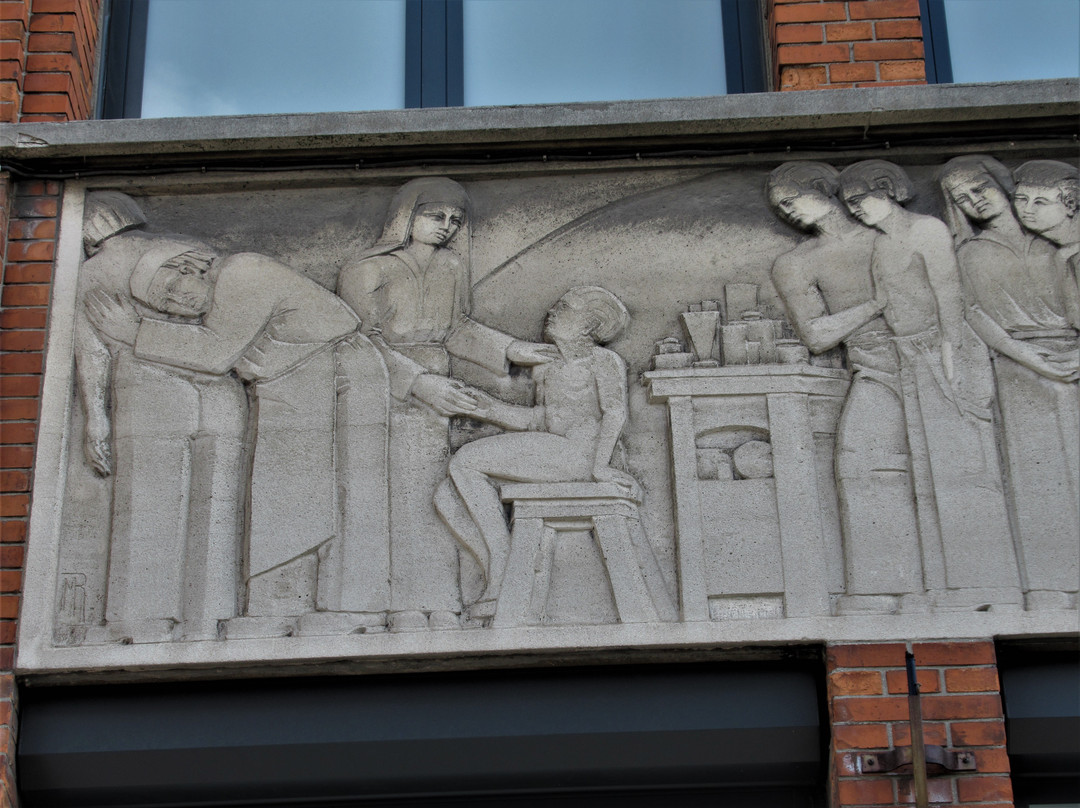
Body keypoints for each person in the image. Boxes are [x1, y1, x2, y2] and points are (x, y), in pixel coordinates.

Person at [86, 241, 391, 630]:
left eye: (169, 295)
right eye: (163, 308)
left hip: (339, 374)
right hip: (295, 381)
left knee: (343, 493)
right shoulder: (221, 297)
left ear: (186, 268)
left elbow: (215, 354)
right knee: (285, 493)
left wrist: (134, 332)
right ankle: (284, 607)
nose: (175, 309)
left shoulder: (241, 271)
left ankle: (348, 608)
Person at [338, 177, 555, 631]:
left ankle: (435, 600)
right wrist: (417, 383)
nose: (446, 227)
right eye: (435, 217)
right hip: (380, 387)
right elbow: (356, 341)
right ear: (406, 217)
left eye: (455, 220)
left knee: (427, 496)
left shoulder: (449, 267)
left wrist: (513, 349)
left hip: (436, 388)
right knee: (380, 497)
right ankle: (379, 607)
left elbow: (456, 329)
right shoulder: (367, 270)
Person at [838, 160, 1020, 611]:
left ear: (889, 190)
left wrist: (951, 359)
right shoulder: (882, 246)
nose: (857, 210)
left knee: (962, 468)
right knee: (926, 473)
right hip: (908, 356)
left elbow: (949, 296)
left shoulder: (928, 230)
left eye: (862, 199)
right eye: (850, 205)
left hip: (943, 352)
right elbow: (887, 303)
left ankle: (985, 586)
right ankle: (941, 586)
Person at [766, 162, 921, 613]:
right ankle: (878, 589)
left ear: (820, 189)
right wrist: (875, 303)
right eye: (780, 208)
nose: (787, 213)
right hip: (873, 367)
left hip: (927, 358)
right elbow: (816, 335)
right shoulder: (795, 263)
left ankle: (942, 589)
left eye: (791, 200)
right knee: (858, 462)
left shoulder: (891, 235)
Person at [434, 286, 638, 619]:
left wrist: (600, 466)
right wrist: (488, 408)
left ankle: (503, 573)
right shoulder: (547, 367)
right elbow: (538, 420)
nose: (553, 311)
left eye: (566, 307)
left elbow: (615, 413)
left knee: (465, 462)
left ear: (591, 324)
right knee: (446, 495)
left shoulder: (604, 361)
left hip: (579, 456)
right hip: (552, 451)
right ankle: (503, 570)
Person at [941, 156, 1079, 609]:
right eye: (962, 199)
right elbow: (977, 317)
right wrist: (1036, 362)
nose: (974, 202)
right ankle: (1051, 585)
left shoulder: (1057, 244)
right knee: (1038, 478)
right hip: (1020, 368)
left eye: (980, 189)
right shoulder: (970, 253)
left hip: (1072, 356)